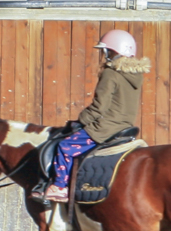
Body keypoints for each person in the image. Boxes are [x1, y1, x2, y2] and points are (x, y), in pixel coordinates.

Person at [34, 29, 150, 203]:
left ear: (115, 52)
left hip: (106, 128)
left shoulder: (111, 73)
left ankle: (59, 187)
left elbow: (99, 107)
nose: (106, 55)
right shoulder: (135, 75)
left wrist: (81, 120)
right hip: (125, 127)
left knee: (65, 146)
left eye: (108, 51)